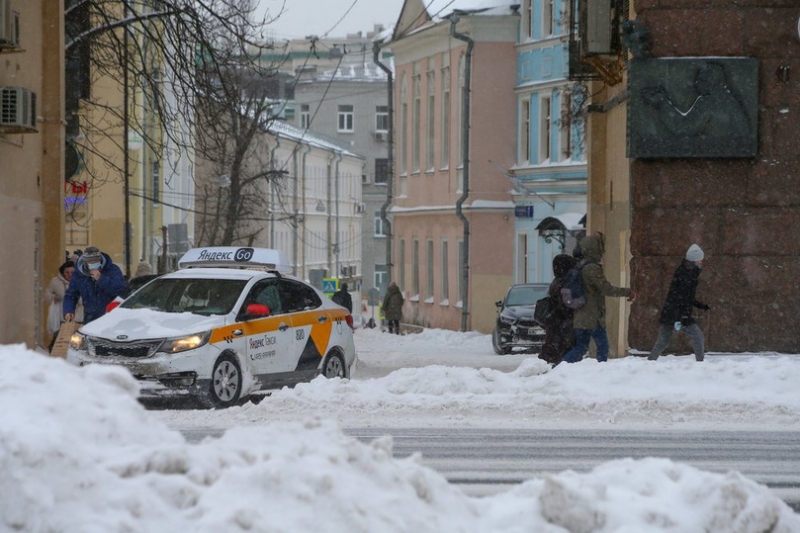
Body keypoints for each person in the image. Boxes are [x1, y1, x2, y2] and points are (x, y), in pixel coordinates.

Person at [562, 233, 636, 363]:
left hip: (581, 315)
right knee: (602, 347)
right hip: (593, 317)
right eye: (601, 248)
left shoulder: (580, 266)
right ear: (594, 249)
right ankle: (600, 372)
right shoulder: (591, 268)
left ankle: (560, 369)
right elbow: (606, 289)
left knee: (580, 347)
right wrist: (628, 292)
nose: (603, 251)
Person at [648, 244, 709, 362]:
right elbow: (682, 298)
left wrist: (700, 305)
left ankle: (650, 362)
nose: (701, 262)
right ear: (694, 260)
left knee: (663, 341)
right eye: (700, 260)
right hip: (679, 313)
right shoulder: (688, 275)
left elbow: (685, 297)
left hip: (670, 312)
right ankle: (701, 364)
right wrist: (682, 316)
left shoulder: (685, 272)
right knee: (698, 337)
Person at [63, 246, 127, 324]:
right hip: (90, 318)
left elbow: (121, 289)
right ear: (85, 262)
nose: (94, 264)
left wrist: (101, 279)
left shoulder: (112, 270)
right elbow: (71, 295)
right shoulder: (79, 275)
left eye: (96, 261)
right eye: (91, 262)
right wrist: (68, 310)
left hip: (111, 317)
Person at [539, 254, 578, 366]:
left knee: (553, 346)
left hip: (555, 322)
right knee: (560, 349)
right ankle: (554, 370)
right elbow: (566, 304)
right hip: (561, 323)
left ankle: (548, 366)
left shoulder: (557, 281)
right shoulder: (563, 283)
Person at [45, 260, 84, 352]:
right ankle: (54, 356)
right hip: (62, 317)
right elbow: (46, 294)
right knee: (58, 341)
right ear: (63, 272)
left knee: (77, 343)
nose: (69, 275)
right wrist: (53, 297)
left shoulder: (82, 282)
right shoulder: (55, 282)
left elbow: (85, 299)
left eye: (72, 272)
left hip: (79, 317)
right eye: (67, 272)